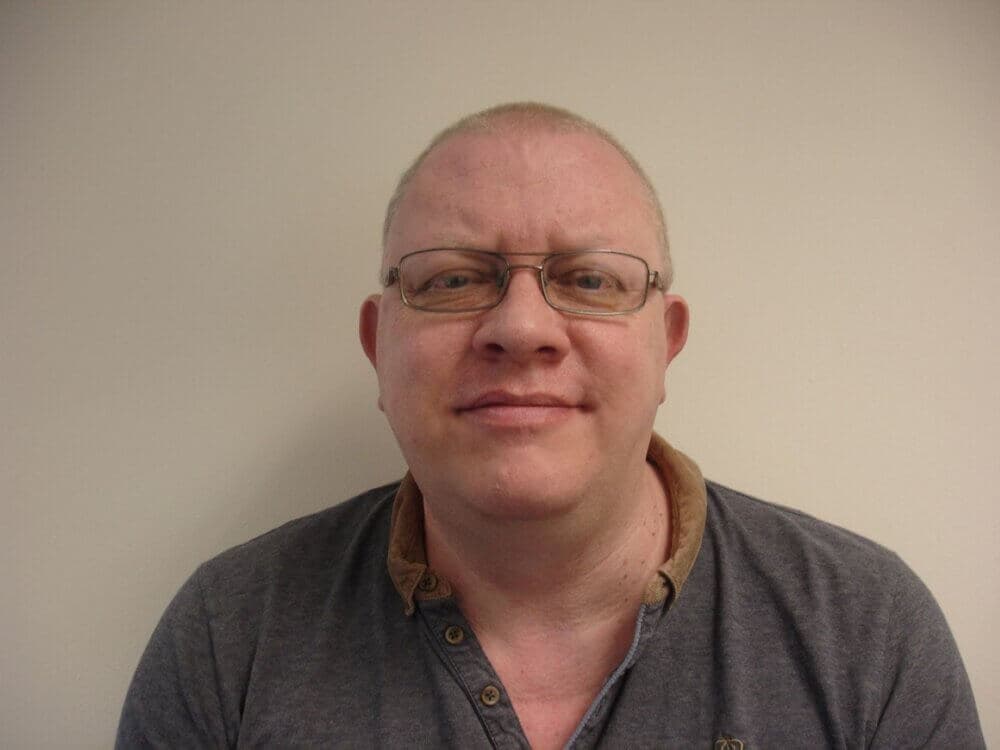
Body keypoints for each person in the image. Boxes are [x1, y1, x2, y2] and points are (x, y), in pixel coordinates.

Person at [116, 103, 984, 749]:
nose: (522, 328)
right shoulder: (231, 634)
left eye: (590, 280)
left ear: (666, 344)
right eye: (453, 280)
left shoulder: (866, 632)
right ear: (379, 346)